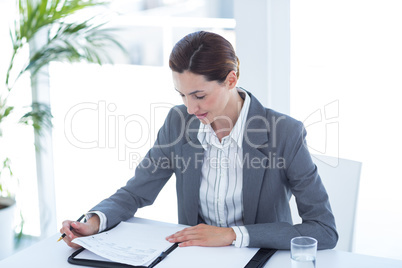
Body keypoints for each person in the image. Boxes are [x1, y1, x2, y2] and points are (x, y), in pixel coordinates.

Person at [60, 31, 338, 250]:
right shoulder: (179, 122)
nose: (191, 108)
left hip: (258, 258)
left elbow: (323, 229)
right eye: (182, 95)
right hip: (194, 258)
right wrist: (93, 222)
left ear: (231, 80)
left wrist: (231, 236)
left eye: (199, 96)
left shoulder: (284, 133)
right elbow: (136, 192)